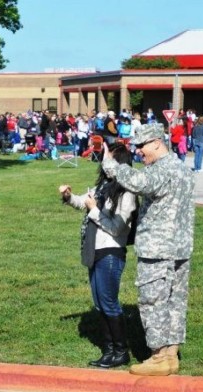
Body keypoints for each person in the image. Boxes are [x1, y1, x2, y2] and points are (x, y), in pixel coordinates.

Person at [101, 124, 195, 376]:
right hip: (179, 248)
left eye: (142, 146)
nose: (139, 151)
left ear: (156, 142)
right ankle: (170, 355)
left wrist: (111, 166)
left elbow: (142, 182)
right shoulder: (182, 168)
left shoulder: (163, 170)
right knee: (175, 301)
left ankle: (158, 356)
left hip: (158, 248)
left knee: (152, 302)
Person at [59, 144, 137, 369]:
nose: (103, 162)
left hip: (111, 252)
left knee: (109, 303)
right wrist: (68, 195)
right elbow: (83, 200)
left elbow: (116, 228)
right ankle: (109, 350)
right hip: (95, 250)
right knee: (100, 304)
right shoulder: (103, 186)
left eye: (108, 157)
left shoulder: (127, 192)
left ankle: (121, 351)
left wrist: (94, 210)